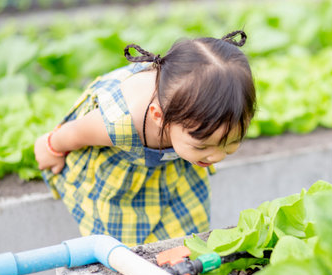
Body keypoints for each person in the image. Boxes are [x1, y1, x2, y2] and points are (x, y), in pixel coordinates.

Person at [34, 30, 256, 247]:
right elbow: (74, 133)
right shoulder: (119, 121)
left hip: (174, 171)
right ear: (160, 117)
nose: (216, 155)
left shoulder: (200, 121)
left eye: (231, 142)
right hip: (120, 170)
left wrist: (200, 147)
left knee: (188, 237)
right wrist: (51, 146)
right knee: (122, 248)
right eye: (203, 145)